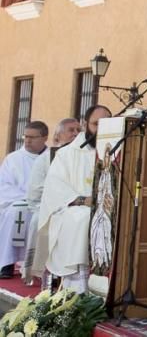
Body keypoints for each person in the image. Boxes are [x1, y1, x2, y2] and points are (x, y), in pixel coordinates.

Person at [37, 106, 110, 292]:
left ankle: (111, 290)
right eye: (96, 124)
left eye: (106, 124)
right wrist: (82, 200)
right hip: (73, 208)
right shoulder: (67, 153)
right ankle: (78, 290)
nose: (101, 129)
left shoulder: (118, 152)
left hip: (109, 207)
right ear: (85, 124)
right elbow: (56, 188)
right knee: (83, 217)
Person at [23, 117, 81, 283]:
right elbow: (37, 188)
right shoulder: (47, 158)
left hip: (77, 204)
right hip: (49, 204)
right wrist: (63, 198)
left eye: (78, 130)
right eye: (71, 130)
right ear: (58, 136)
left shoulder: (85, 155)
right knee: (39, 221)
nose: (76, 134)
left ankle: (71, 271)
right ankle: (44, 271)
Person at [0, 121, 48, 278]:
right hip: (18, 202)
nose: (27, 141)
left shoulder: (52, 158)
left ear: (44, 137)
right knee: (17, 211)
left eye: (32, 137)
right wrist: (27, 198)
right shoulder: (13, 159)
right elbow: (4, 186)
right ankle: (6, 263)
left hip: (44, 203)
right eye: (25, 136)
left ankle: (39, 265)